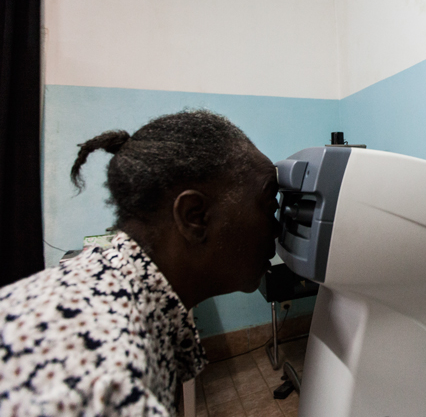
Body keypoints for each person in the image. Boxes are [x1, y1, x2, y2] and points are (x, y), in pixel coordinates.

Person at [0, 110, 280, 416]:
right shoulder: (111, 383)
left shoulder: (108, 273)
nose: (278, 227)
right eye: (268, 204)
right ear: (194, 216)